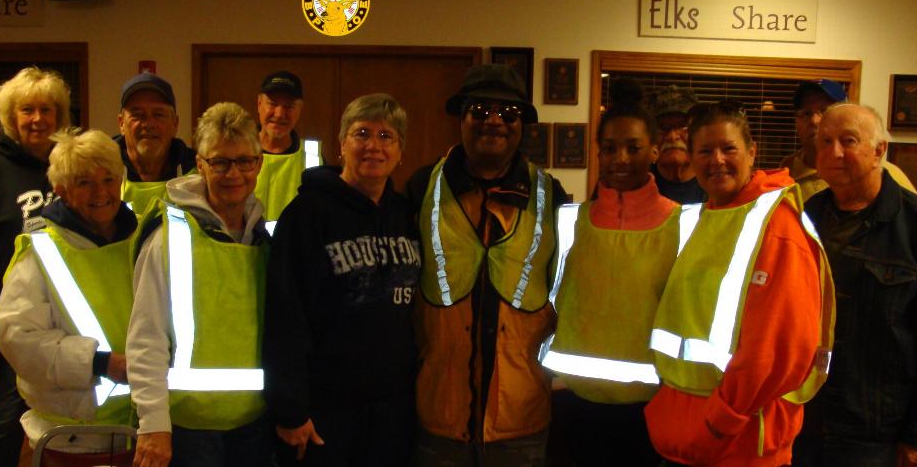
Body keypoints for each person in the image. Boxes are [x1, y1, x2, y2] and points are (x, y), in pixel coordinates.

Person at [645, 101, 835, 467]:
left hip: (742, 438)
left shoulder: (776, 225)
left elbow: (779, 346)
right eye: (704, 150)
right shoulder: (706, 216)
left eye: (728, 148)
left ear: (751, 153)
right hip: (691, 431)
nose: (716, 160)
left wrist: (723, 419)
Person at [406, 64, 568, 466]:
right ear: (460, 117)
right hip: (438, 414)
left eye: (508, 113)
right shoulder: (420, 186)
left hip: (521, 416)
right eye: (479, 110)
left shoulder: (552, 195)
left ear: (521, 125)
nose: (494, 122)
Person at [793, 103, 917, 467]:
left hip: (876, 430)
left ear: (879, 150)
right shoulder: (803, 218)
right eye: (825, 141)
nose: (834, 152)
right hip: (803, 419)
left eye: (848, 141)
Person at [264, 93, 420, 466]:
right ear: (342, 143)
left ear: (400, 150)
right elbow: (284, 314)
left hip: (392, 413)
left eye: (387, 137)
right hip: (323, 412)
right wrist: (290, 410)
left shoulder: (405, 216)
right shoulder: (306, 214)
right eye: (361, 133)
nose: (373, 146)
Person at [127, 102, 271, 467]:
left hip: (254, 424)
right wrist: (154, 424)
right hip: (186, 428)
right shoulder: (169, 237)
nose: (233, 173)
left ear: (259, 163)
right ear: (201, 164)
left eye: (244, 161)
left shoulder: (264, 238)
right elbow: (146, 338)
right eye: (221, 162)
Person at [540, 81, 674, 466]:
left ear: (654, 150)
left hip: (649, 406)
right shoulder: (570, 220)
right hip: (574, 403)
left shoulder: (682, 224)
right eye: (610, 148)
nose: (621, 158)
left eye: (633, 148)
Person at [0, 129, 136, 459]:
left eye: (108, 179)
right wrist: (99, 363)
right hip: (72, 434)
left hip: (142, 425)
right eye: (84, 182)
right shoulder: (41, 252)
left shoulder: (143, 239)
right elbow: (16, 336)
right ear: (61, 191)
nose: (101, 192)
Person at [0, 66, 69, 467]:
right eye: (27, 110)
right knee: (8, 419)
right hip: (18, 323)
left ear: (59, 115)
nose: (38, 120)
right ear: (11, 117)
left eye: (46, 109)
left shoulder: (73, 163)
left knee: (72, 417)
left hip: (73, 316)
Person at [781, 78, 914, 201]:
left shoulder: (884, 174)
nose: (815, 120)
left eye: (825, 111)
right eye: (806, 113)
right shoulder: (787, 171)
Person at [115, 72, 197, 215]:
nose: (149, 124)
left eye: (159, 114)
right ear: (121, 123)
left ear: (175, 124)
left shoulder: (198, 172)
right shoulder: (100, 172)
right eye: (138, 114)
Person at [254, 71, 322, 223]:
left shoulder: (314, 159)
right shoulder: (236, 153)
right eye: (272, 103)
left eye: (289, 106)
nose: (279, 114)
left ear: (300, 109)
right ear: (259, 104)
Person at [646, 84, 706, 204]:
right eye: (662, 127)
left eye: (683, 126)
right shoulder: (636, 185)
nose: (672, 137)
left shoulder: (715, 184)